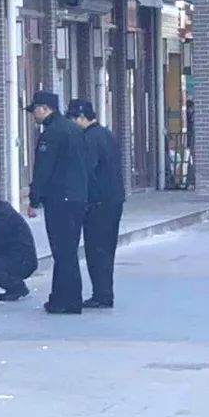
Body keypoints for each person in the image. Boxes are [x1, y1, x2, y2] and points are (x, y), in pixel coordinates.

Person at [25, 90, 89, 314]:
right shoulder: (74, 129)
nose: (33, 115)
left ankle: (66, 300)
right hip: (78, 197)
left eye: (34, 110)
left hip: (60, 199)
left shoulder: (52, 134)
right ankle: (64, 296)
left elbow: (43, 169)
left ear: (44, 108)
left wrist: (34, 198)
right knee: (69, 249)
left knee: (62, 251)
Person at [66, 99, 125, 309]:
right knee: (107, 248)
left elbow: (86, 171)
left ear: (81, 118)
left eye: (73, 119)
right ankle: (104, 292)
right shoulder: (107, 135)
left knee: (96, 249)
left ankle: (101, 294)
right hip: (114, 199)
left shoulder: (89, 139)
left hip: (99, 202)